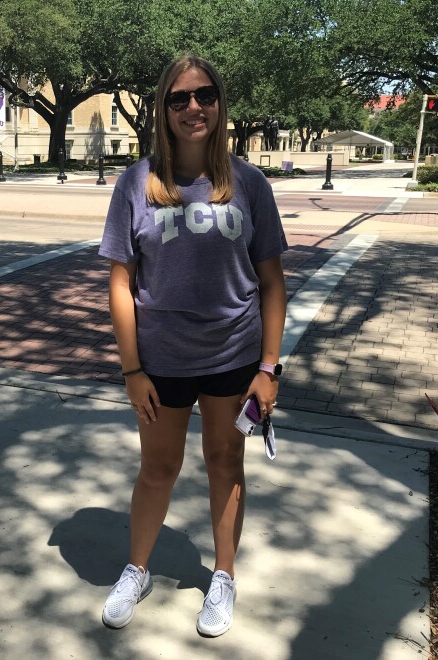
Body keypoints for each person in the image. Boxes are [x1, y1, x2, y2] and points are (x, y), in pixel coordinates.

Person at [98, 55, 288, 637]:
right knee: (158, 467)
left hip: (234, 357)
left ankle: (223, 576)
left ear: (220, 104)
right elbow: (120, 280)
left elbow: (273, 281)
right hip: (161, 361)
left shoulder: (249, 183)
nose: (193, 108)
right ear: (163, 109)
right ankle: (138, 569)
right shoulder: (137, 182)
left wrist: (270, 369)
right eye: (179, 99)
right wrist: (132, 369)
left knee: (225, 462)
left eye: (204, 95)